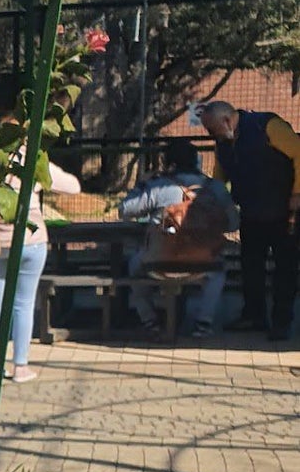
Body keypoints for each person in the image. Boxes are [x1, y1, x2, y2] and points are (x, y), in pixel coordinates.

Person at [0, 150, 82, 383]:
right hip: (30, 240)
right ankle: (20, 366)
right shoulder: (34, 160)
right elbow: (73, 187)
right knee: (23, 304)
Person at [196, 100, 300, 340]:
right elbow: (220, 175)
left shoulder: (267, 126)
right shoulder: (223, 144)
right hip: (252, 213)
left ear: (226, 121)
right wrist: (216, 203)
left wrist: (297, 193)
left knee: (285, 268)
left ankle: (281, 321)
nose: (211, 135)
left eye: (212, 129)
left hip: (285, 211)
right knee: (251, 266)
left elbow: (298, 154)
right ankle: (254, 316)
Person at [119, 140, 240, 338]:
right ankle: (204, 323)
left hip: (158, 260)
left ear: (167, 161)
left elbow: (124, 210)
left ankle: (150, 320)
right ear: (196, 161)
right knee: (218, 273)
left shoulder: (158, 186)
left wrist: (142, 183)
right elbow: (234, 223)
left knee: (133, 268)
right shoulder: (216, 188)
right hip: (204, 261)